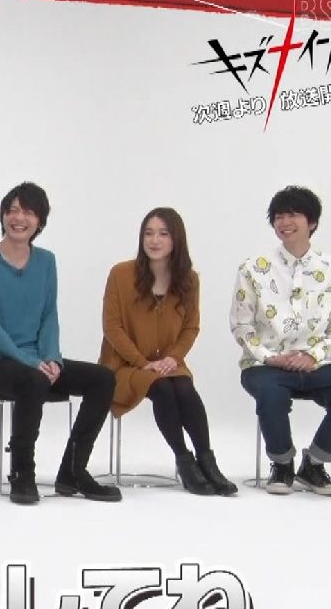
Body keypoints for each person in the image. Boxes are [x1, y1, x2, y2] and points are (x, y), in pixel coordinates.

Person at [0, 181, 120, 505]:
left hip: (38, 362)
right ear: (3, 215)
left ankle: (73, 471)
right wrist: (32, 362)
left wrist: (52, 359)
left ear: (40, 221)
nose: (18, 218)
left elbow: (49, 316)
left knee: (103, 379)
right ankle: (22, 472)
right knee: (33, 380)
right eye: (12, 210)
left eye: (28, 212)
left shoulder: (46, 261)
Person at [230, 186, 331, 496]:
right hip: (264, 365)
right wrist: (269, 357)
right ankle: (282, 464)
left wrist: (313, 355)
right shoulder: (253, 268)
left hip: (315, 364)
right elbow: (241, 325)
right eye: (279, 216)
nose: (285, 222)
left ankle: (314, 464)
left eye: (293, 215)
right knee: (272, 396)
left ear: (312, 222)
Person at [99, 208, 237, 496]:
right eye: (148, 233)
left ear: (176, 239)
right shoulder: (121, 274)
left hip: (168, 363)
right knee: (162, 388)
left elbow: (191, 327)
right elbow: (112, 327)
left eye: (163, 233)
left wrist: (172, 358)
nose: (154, 240)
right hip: (125, 365)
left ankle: (207, 461)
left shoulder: (189, 279)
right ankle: (184, 460)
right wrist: (143, 362)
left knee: (184, 387)